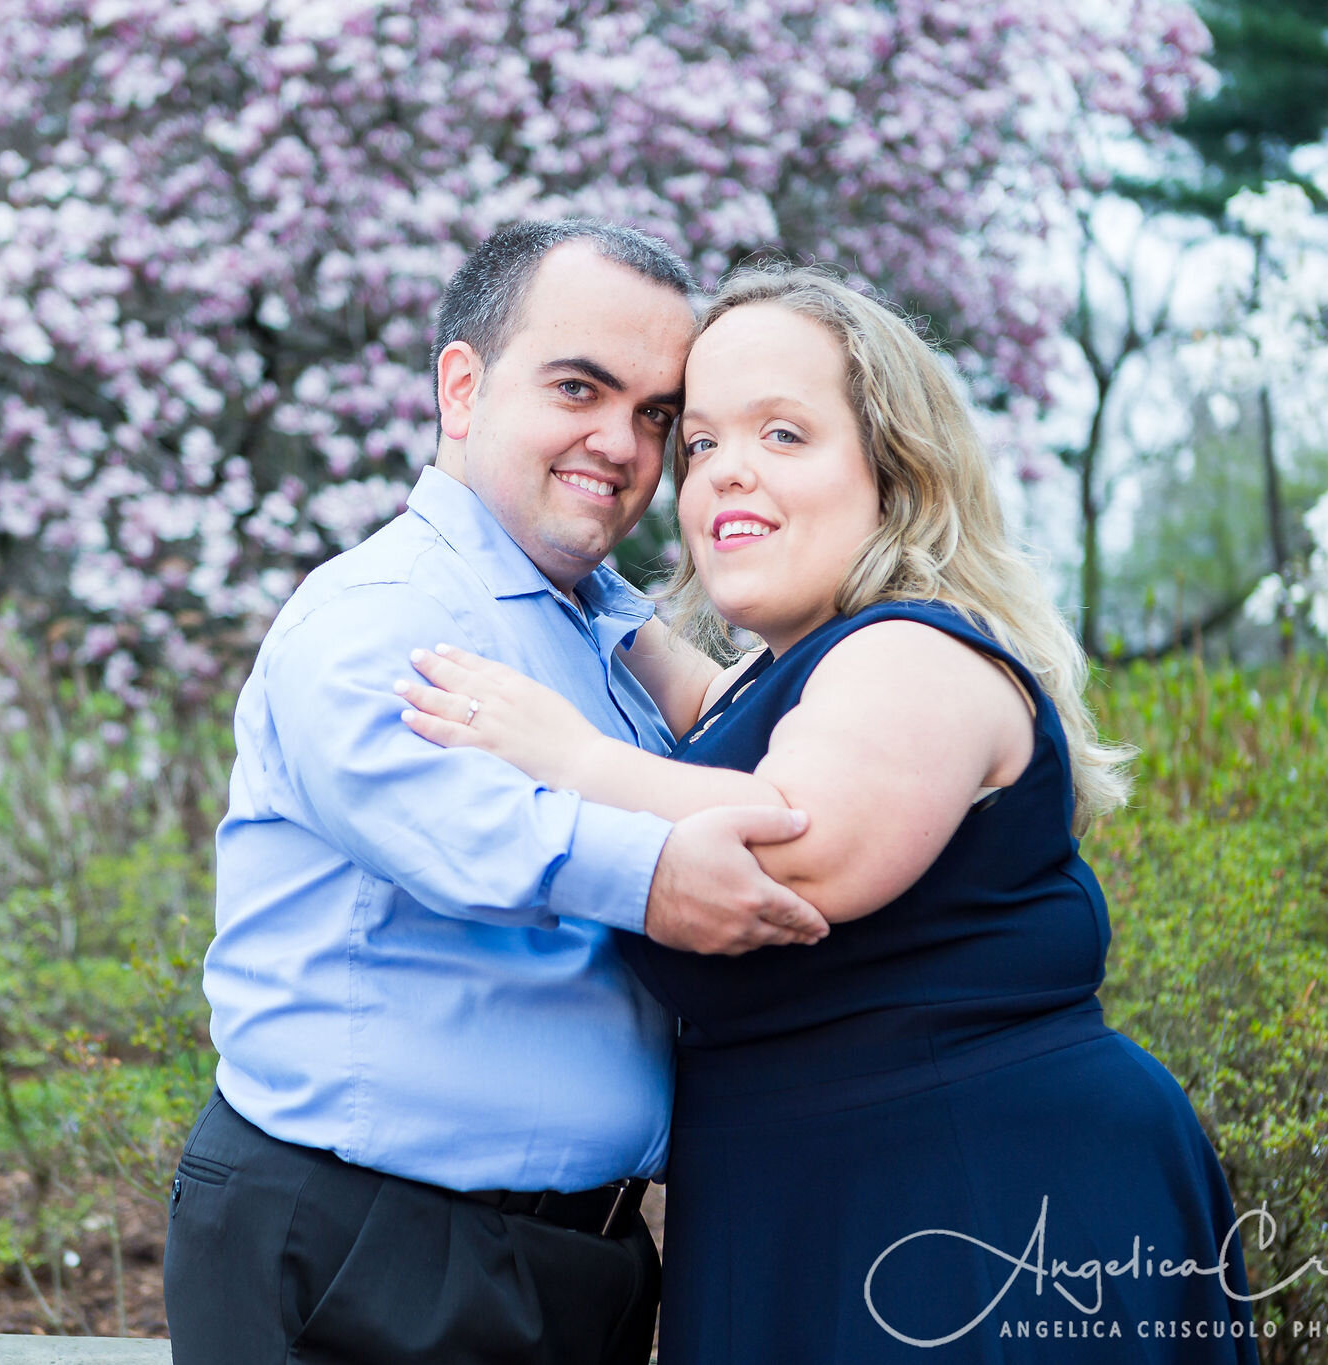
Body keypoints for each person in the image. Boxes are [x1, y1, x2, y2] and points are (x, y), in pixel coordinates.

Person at [398, 263, 1261, 1362]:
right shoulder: (784, 675)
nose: (722, 475)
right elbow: (708, 717)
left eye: (783, 436)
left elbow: (795, 846)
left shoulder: (915, 652)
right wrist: (560, 556)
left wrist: (566, 755)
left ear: (894, 471)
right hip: (818, 1209)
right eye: (699, 442)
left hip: (976, 1208)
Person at [162, 222, 832, 1365]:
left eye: (656, 415)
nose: (620, 444)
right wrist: (671, 882)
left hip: (586, 1263)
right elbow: (466, 836)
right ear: (462, 388)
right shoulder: (378, 610)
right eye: (578, 387)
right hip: (366, 1247)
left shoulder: (607, 628)